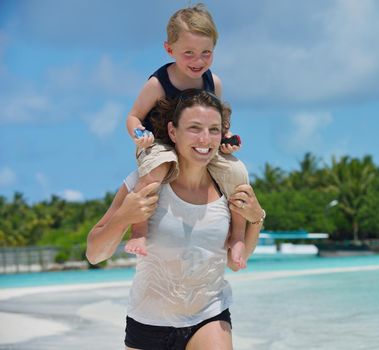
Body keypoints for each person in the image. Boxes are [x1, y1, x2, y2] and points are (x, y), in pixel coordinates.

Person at [86, 90, 265, 350]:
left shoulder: (228, 184)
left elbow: (236, 263)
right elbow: (95, 254)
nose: (205, 139)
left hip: (209, 315)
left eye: (214, 129)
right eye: (194, 128)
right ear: (173, 132)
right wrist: (125, 216)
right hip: (148, 325)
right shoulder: (144, 181)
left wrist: (256, 220)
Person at [124, 3, 248, 270]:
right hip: (158, 142)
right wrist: (139, 134)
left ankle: (237, 236)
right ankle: (139, 232)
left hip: (198, 144)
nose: (198, 61)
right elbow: (133, 115)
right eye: (188, 53)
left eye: (206, 53)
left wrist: (226, 136)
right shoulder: (158, 84)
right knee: (156, 171)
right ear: (170, 50)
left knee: (238, 172)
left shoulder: (213, 82)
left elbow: (217, 118)